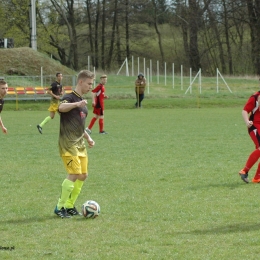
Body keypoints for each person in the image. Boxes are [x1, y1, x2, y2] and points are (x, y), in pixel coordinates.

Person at [54, 70, 95, 218]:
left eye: (92, 83)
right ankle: (59, 207)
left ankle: (70, 205)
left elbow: (79, 127)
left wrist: (88, 138)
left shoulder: (83, 104)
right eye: (89, 83)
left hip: (80, 144)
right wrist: (77, 103)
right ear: (80, 82)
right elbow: (60, 108)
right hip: (68, 143)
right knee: (74, 173)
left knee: (83, 175)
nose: (91, 86)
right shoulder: (69, 97)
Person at [239, 90, 260, 183]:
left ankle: (257, 178)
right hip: (254, 125)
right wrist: (247, 121)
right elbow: (245, 111)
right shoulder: (255, 97)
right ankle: (244, 171)